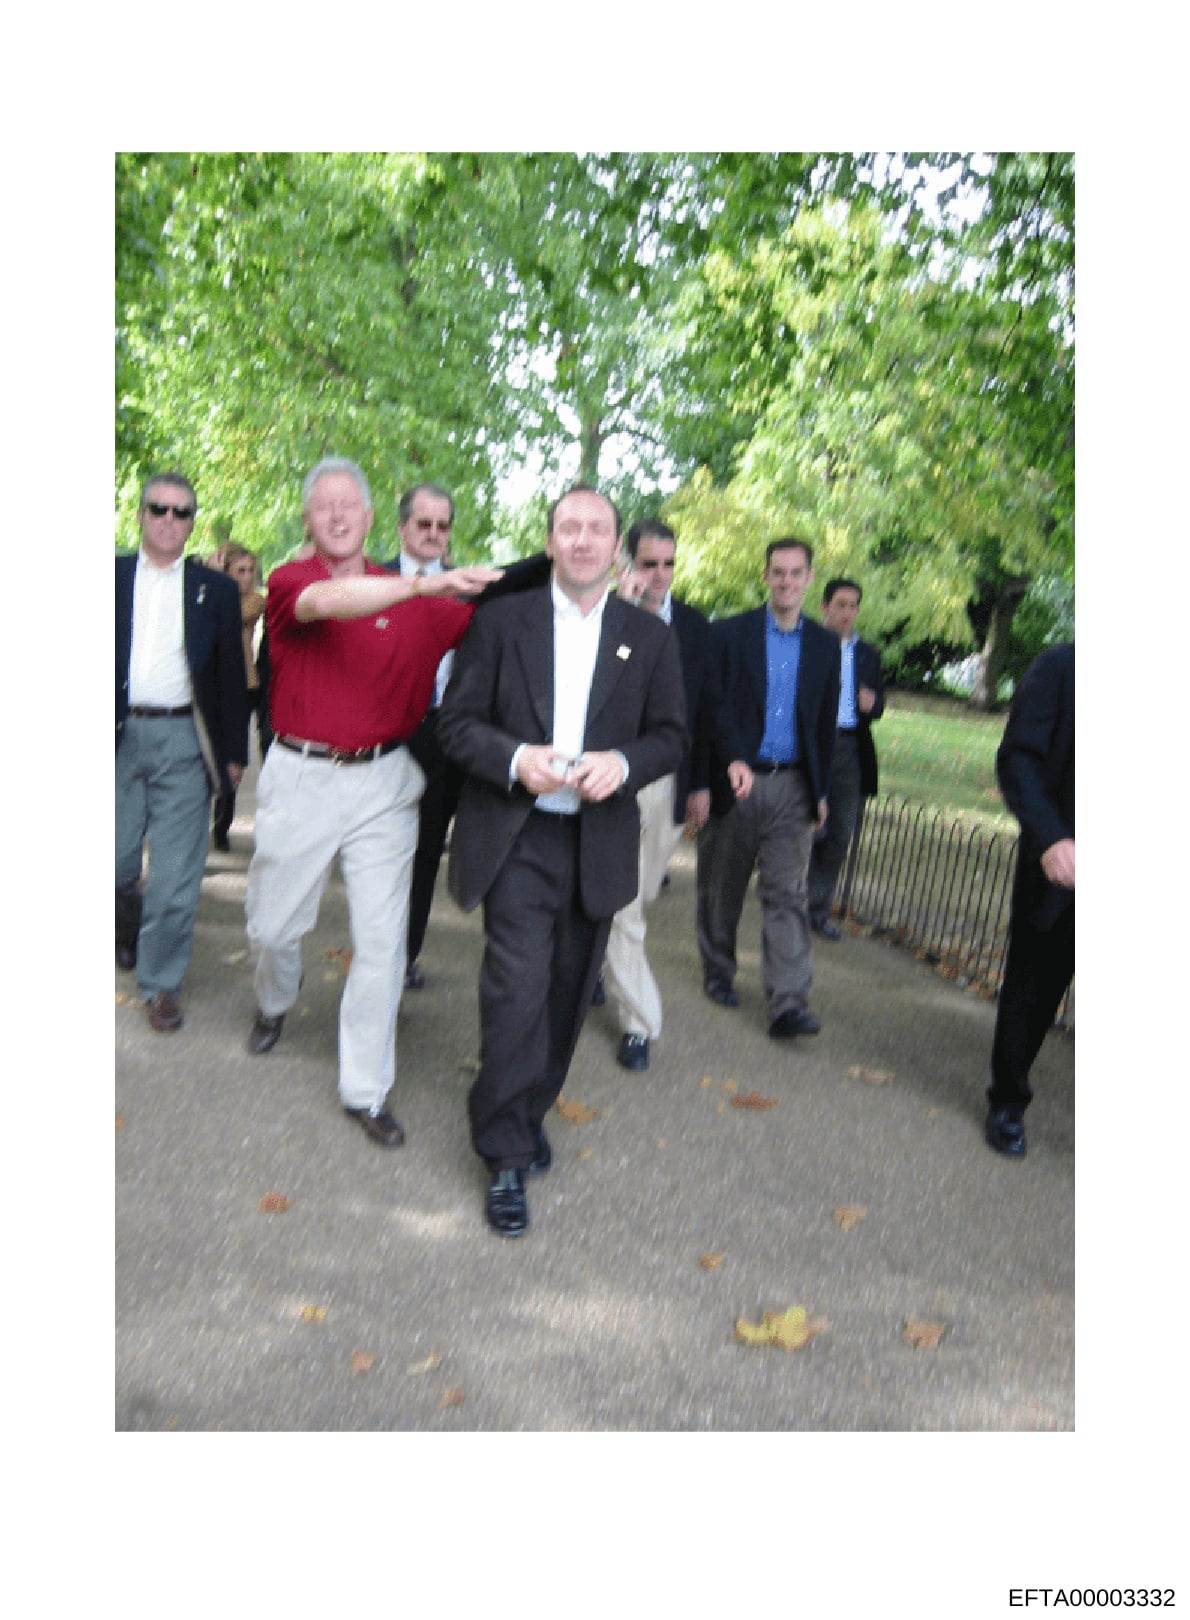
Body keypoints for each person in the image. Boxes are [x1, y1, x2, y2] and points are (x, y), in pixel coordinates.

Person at [437, 484, 688, 1237]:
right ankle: (505, 1152)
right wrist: (516, 758)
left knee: (567, 994)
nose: (581, 540)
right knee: (515, 991)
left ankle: (525, 1106)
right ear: (549, 542)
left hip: (597, 841)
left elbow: (672, 735)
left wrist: (623, 761)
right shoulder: (502, 622)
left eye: (596, 529)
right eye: (567, 527)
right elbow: (456, 724)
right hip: (517, 836)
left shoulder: (648, 639)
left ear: (616, 550)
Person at [242, 457, 503, 1148]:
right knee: (274, 928)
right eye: (323, 505)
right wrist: (430, 582)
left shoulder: (423, 596)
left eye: (348, 504)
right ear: (308, 518)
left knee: (383, 946)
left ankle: (367, 1088)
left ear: (366, 517)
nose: (335, 515)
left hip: (385, 785)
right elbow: (331, 604)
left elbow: (507, 609)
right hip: (301, 775)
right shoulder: (292, 581)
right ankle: (273, 1003)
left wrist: (580, 577)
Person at [602, 519, 751, 1071]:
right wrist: (617, 611)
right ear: (626, 562)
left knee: (634, 898)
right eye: (648, 563)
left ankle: (605, 969)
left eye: (668, 563)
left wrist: (714, 774)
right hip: (601, 777)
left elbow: (710, 707)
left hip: (664, 779)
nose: (659, 575)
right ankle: (639, 1021)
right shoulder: (602, 613)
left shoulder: (693, 627)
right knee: (617, 904)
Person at [116, 473, 249, 1032]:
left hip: (183, 741)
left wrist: (234, 752)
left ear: (193, 522)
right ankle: (127, 928)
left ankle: (160, 982)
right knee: (114, 862)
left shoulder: (213, 591)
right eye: (159, 509)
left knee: (173, 878)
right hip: (115, 738)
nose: (170, 520)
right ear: (141, 514)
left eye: (182, 512)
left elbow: (228, 680)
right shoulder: (107, 576)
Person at [697, 538, 840, 1039]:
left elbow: (824, 723)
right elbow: (711, 708)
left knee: (787, 894)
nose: (786, 582)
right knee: (723, 888)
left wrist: (821, 791)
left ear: (808, 578)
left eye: (795, 573)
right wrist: (721, 766)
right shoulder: (730, 635)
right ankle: (718, 969)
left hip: (795, 786)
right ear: (765, 577)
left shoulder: (825, 645)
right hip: (739, 781)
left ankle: (787, 1000)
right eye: (777, 573)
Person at [984, 642, 1075, 1157]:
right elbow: (1017, 758)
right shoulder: (1060, 668)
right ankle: (1008, 1102)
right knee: (1033, 991)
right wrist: (1050, 838)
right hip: (1063, 863)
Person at [384, 483, 463, 992]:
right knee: (379, 851)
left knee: (426, 852)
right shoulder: (372, 580)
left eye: (442, 525)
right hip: (384, 735)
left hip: (443, 736)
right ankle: (375, 955)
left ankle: (404, 956)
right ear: (402, 527)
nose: (433, 533)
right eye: (423, 524)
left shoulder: (465, 589)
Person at [808, 577, 885, 939]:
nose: (847, 612)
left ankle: (817, 909)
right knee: (807, 828)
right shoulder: (807, 643)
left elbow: (879, 704)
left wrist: (874, 704)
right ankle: (790, 903)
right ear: (825, 606)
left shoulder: (868, 654)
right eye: (840, 604)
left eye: (853, 605)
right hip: (811, 746)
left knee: (840, 833)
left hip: (851, 748)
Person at [210, 543, 268, 851]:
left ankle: (222, 824)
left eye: (250, 571)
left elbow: (236, 616)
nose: (246, 578)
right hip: (214, 684)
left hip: (246, 684)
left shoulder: (254, 602)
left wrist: (214, 581)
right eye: (239, 571)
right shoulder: (213, 596)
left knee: (234, 756)